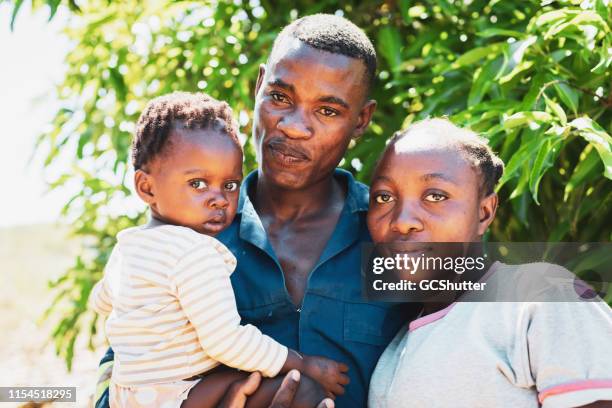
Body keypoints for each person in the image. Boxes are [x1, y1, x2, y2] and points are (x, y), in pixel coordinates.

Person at [95, 14, 410, 408]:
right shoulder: (183, 234)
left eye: (327, 111)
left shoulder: (396, 232)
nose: (294, 127)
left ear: (361, 119)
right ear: (259, 87)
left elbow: (492, 314)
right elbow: (116, 379)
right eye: (280, 98)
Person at [90, 91, 350, 407]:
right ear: (146, 187)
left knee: (241, 382)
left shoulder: (129, 247)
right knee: (302, 389)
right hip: (174, 394)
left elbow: (102, 300)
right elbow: (225, 341)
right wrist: (301, 362)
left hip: (128, 394)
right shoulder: (194, 253)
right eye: (198, 184)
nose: (219, 198)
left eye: (229, 185)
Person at [366, 118, 612, 407]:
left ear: (484, 213)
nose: (402, 222)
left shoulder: (537, 297)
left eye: (435, 195)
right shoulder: (392, 355)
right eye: (384, 197)